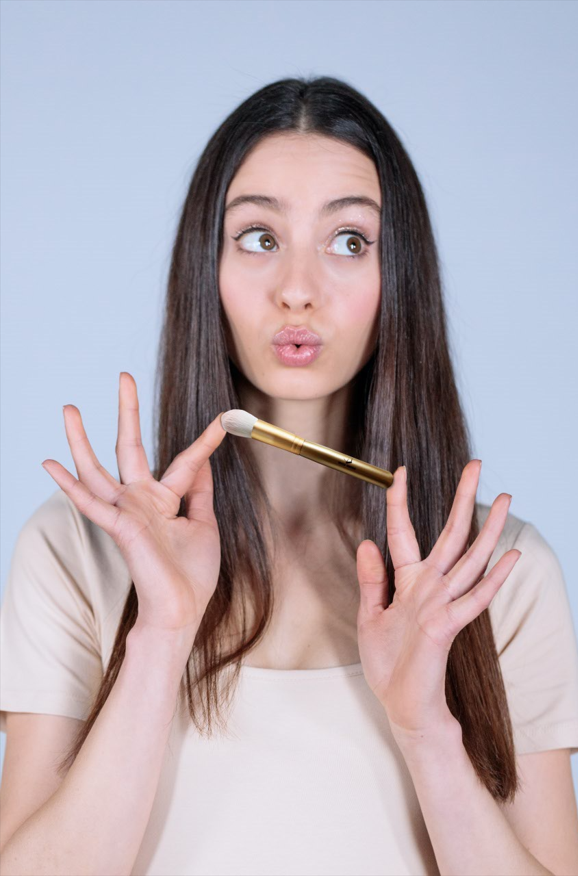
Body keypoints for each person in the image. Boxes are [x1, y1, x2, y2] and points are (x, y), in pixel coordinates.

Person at [1, 76, 578, 876]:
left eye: (350, 242)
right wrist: (161, 638)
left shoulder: (492, 578)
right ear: (206, 270)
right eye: (259, 238)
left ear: (398, 278)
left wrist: (427, 732)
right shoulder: (78, 552)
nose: (298, 289)